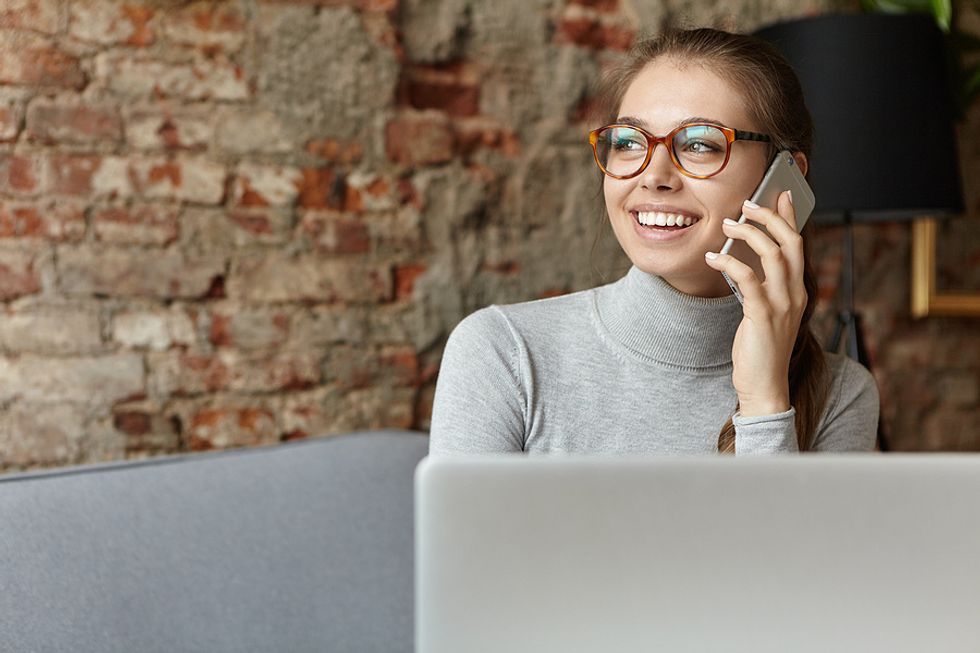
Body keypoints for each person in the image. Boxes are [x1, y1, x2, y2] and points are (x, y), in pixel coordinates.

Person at [428, 27, 879, 455]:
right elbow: (463, 540)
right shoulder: (502, 354)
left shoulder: (841, 395)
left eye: (700, 144)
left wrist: (764, 402)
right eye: (628, 141)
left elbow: (778, 542)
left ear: (784, 179)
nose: (653, 176)